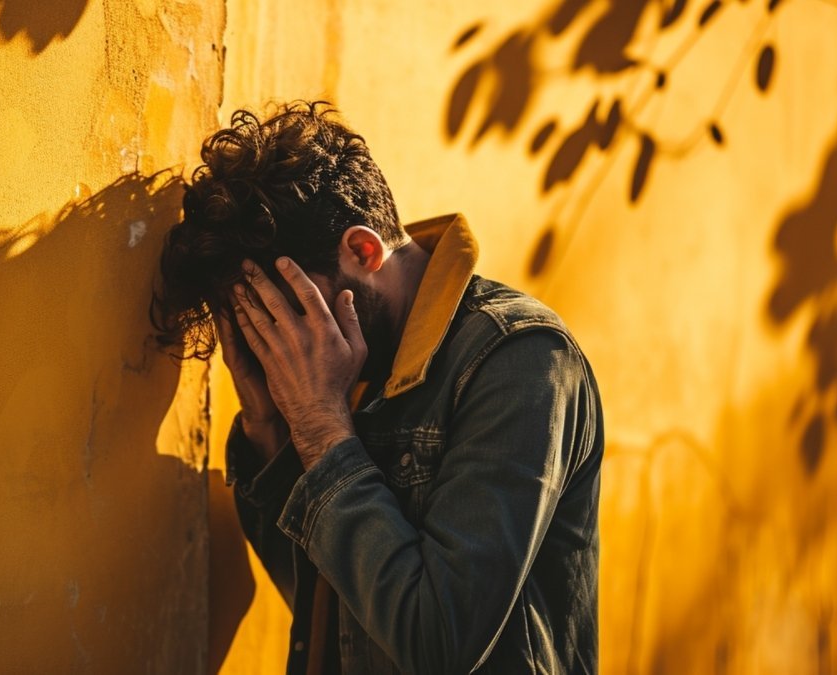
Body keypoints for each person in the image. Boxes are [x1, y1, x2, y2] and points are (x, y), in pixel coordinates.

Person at [151, 101, 603, 674]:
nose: (282, 345)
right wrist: (271, 429)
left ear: (364, 252)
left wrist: (321, 428)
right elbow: (334, 612)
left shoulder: (520, 359)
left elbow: (436, 643)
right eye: (256, 322)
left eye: (287, 309)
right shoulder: (345, 373)